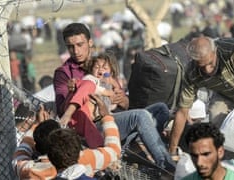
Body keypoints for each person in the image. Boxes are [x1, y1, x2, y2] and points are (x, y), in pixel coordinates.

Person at [53, 22, 175, 172]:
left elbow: (125, 103)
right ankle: (166, 165)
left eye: (80, 44)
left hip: (113, 117)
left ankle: (136, 146)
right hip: (93, 126)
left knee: (161, 109)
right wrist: (73, 92)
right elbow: (63, 112)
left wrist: (121, 99)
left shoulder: (104, 64)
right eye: (71, 46)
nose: (76, 50)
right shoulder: (64, 73)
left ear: (90, 42)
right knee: (141, 116)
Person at [12, 94, 121, 179]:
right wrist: (106, 117)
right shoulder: (84, 158)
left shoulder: (31, 170)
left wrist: (35, 126)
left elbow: (19, 157)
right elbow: (114, 150)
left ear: (37, 147)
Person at [169, 36, 234, 157]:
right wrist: (172, 150)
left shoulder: (231, 51)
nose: (208, 70)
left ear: (215, 51)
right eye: (202, 66)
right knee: (216, 117)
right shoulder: (191, 72)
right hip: (224, 94)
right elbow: (182, 112)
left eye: (210, 63)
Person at [60, 52, 121, 148]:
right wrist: (108, 92)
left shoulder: (110, 85)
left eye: (105, 68)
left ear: (111, 73)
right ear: (91, 69)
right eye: (96, 67)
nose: (100, 70)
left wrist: (114, 86)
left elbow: (113, 105)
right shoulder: (91, 79)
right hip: (75, 111)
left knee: (95, 137)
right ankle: (68, 114)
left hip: (86, 119)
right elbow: (93, 89)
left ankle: (102, 153)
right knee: (89, 85)